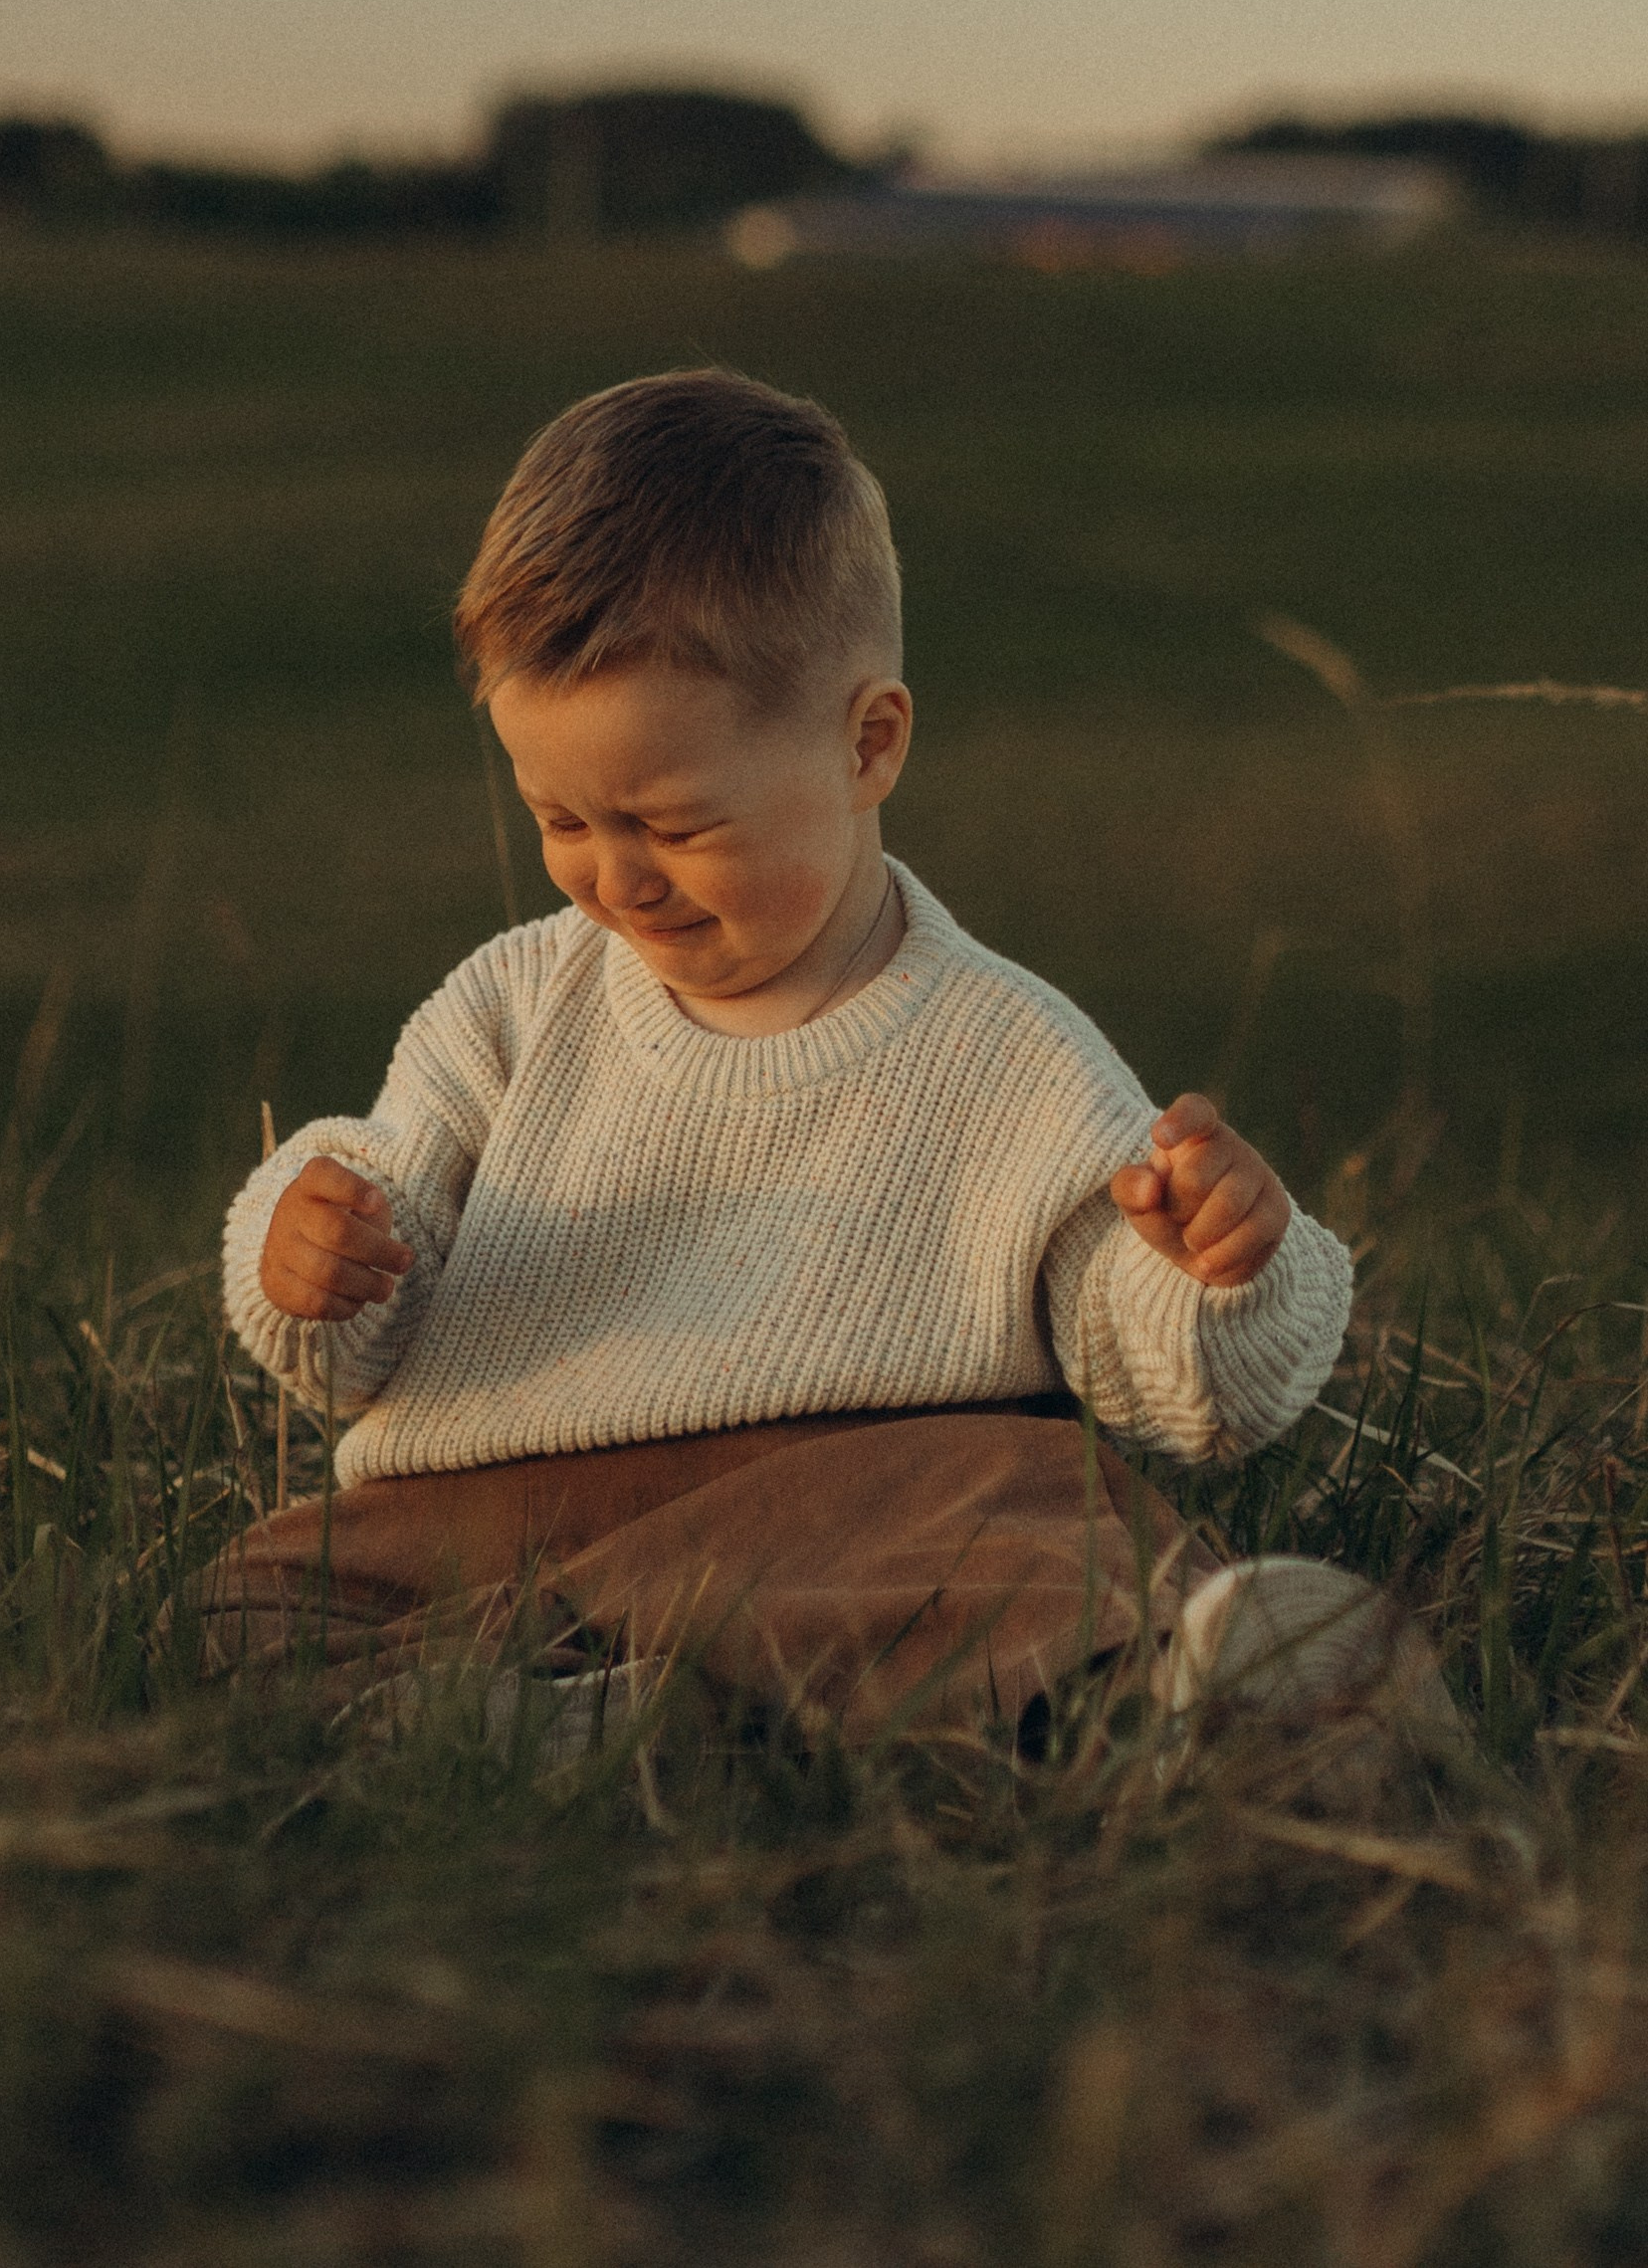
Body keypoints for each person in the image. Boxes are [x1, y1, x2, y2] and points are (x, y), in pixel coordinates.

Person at [202, 369, 1412, 1746]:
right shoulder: (510, 1010)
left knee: (1038, 1532)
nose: (616, 879)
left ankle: (1202, 1694)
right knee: (260, 1595)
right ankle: (610, 1724)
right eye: (562, 820)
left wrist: (1212, 1274)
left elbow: (1171, 1390)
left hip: (863, 1511)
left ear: (867, 745)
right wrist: (318, 1259)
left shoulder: (1002, 1051)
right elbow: (379, 1258)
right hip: (513, 1511)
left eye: (675, 824)